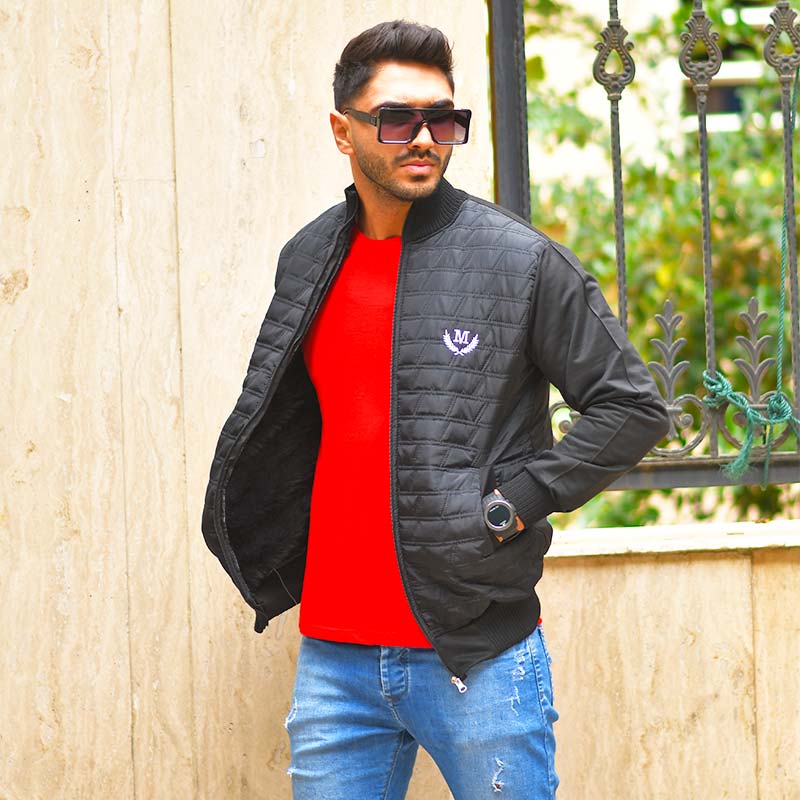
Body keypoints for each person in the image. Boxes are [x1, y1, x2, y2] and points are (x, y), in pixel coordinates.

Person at [201, 19, 669, 799]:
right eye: (397, 119)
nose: (424, 138)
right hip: (334, 659)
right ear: (343, 131)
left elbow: (631, 406)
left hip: (475, 655)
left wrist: (515, 505)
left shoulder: (516, 262)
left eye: (443, 119)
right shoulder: (309, 258)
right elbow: (293, 423)